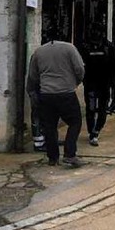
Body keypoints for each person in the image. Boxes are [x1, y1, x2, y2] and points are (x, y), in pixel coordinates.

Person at [26, 28, 85, 167]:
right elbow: (79, 69)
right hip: (66, 93)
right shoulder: (70, 48)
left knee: (49, 126)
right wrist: (76, 82)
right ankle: (70, 154)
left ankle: (53, 158)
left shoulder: (38, 52)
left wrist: (33, 91)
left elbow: (33, 75)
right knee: (75, 122)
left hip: (46, 94)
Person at [81, 25, 115, 146]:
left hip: (104, 83)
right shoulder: (85, 46)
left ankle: (96, 131)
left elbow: (114, 65)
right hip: (90, 83)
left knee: (102, 109)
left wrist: (112, 82)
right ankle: (92, 132)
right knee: (90, 109)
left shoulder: (108, 46)